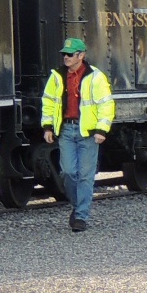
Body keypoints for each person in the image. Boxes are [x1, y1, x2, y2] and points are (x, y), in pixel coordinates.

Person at [41, 37, 115, 232]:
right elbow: (48, 102)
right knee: (67, 172)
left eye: (69, 54)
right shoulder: (57, 76)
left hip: (88, 132)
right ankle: (77, 205)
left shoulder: (96, 77)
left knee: (85, 176)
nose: (65, 57)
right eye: (64, 54)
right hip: (66, 130)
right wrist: (47, 126)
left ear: (81, 56)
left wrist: (101, 130)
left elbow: (106, 105)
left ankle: (80, 216)